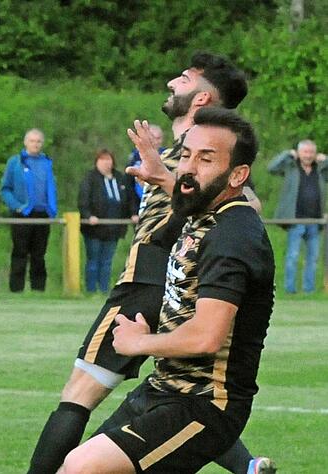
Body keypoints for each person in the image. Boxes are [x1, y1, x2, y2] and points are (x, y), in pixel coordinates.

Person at [28, 53, 273, 474]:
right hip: (165, 386)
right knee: (80, 465)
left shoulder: (233, 230)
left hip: (200, 397)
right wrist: (164, 174)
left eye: (204, 159)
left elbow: (207, 336)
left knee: (81, 427)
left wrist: (140, 341)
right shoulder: (199, 209)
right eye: (188, 157)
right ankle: (248, 467)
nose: (189, 169)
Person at [1, 128, 58, 292]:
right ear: (26, 142)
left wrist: (52, 209)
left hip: (43, 214)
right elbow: (5, 189)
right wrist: (17, 206)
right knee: (19, 253)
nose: (35, 144)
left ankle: (38, 289)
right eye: (32, 141)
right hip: (22, 214)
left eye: (39, 141)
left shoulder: (47, 162)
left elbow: (51, 188)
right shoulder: (15, 162)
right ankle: (16, 289)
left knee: (39, 255)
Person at [268, 140, 328, 294]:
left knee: (312, 259)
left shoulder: (321, 169)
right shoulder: (290, 166)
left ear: (315, 154)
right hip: (295, 219)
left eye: (311, 152)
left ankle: (309, 290)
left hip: (315, 220)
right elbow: (272, 168)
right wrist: (286, 154)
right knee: (293, 257)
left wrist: (326, 160)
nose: (308, 155)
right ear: (299, 153)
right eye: (305, 152)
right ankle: (290, 290)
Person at [78, 149, 139, 293]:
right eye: (103, 160)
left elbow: (129, 198)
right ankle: (91, 290)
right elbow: (83, 200)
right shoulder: (90, 178)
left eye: (109, 159)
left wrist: (133, 213)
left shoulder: (120, 178)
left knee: (106, 261)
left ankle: (104, 290)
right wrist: (88, 216)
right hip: (94, 228)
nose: (106, 163)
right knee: (93, 261)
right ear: (97, 162)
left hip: (114, 228)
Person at [126, 124, 165, 207]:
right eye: (154, 138)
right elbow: (129, 184)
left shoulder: (167, 155)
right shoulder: (135, 156)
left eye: (159, 138)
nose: (157, 141)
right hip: (139, 202)